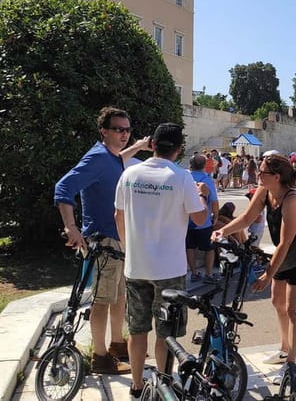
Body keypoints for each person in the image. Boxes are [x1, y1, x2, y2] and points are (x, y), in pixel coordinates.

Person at [114, 123, 209, 398]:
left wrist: (127, 249)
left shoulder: (129, 173)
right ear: (179, 150)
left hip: (136, 265)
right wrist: (202, 194)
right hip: (170, 268)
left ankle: (137, 384)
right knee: (166, 333)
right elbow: (200, 219)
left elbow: (118, 216)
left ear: (152, 144)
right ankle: (165, 382)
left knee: (137, 328)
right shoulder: (181, 178)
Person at [54, 106, 148, 374]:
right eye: (119, 129)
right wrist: (71, 227)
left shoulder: (113, 155)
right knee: (102, 300)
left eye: (127, 130)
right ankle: (100, 357)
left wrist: (139, 146)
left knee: (119, 297)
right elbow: (63, 187)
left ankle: (118, 344)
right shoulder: (96, 157)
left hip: (117, 239)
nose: (124, 134)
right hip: (104, 240)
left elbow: (119, 159)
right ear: (104, 131)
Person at [212, 154, 296, 380]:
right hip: (285, 254)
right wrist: (224, 231)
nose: (257, 174)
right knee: (276, 301)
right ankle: (284, 348)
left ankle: (292, 363)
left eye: (261, 172)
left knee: (294, 310)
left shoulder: (292, 200)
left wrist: (267, 274)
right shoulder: (264, 190)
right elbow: (246, 217)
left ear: (276, 176)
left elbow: (285, 242)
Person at [186, 154, 219, 282]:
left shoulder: (185, 177)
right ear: (204, 166)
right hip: (204, 221)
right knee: (209, 248)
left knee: (190, 247)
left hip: (187, 220)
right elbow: (214, 201)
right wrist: (216, 215)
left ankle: (194, 273)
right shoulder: (207, 180)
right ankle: (209, 274)